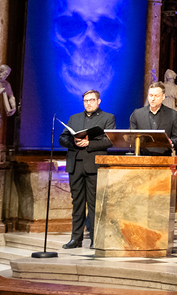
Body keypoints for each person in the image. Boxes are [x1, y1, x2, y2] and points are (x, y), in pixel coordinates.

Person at [59, 89, 115, 249]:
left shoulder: (107, 118)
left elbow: (110, 141)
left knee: (94, 203)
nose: (88, 103)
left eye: (91, 100)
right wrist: (74, 142)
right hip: (75, 165)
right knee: (77, 203)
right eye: (85, 101)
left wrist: (89, 143)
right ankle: (75, 239)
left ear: (98, 101)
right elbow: (62, 138)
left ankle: (95, 239)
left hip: (94, 165)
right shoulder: (74, 118)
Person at [129, 83, 177, 154]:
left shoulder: (172, 114)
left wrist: (171, 142)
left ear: (163, 97)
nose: (153, 99)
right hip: (142, 155)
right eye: (150, 95)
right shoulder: (137, 114)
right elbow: (131, 136)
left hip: (164, 156)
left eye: (156, 96)